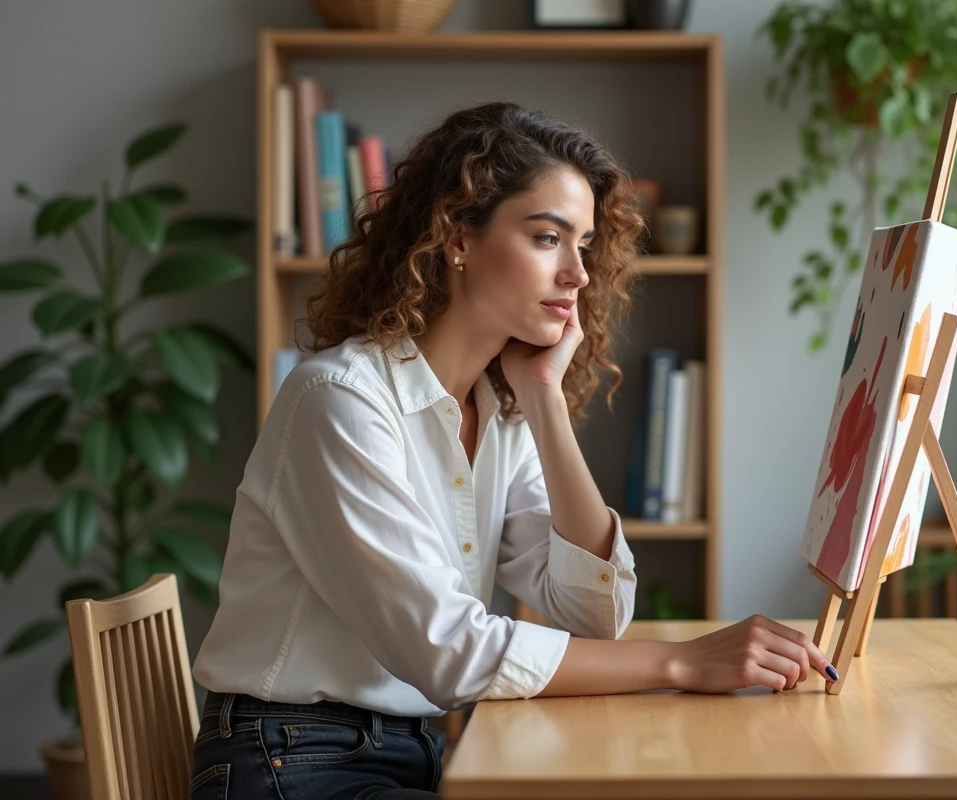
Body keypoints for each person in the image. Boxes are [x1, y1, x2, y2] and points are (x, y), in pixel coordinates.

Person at [187, 101, 835, 800]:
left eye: (584, 245)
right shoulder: (340, 401)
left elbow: (595, 615)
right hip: (290, 760)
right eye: (548, 238)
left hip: (412, 750)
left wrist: (543, 401)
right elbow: (450, 651)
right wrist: (681, 662)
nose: (578, 274)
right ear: (457, 237)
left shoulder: (497, 412)